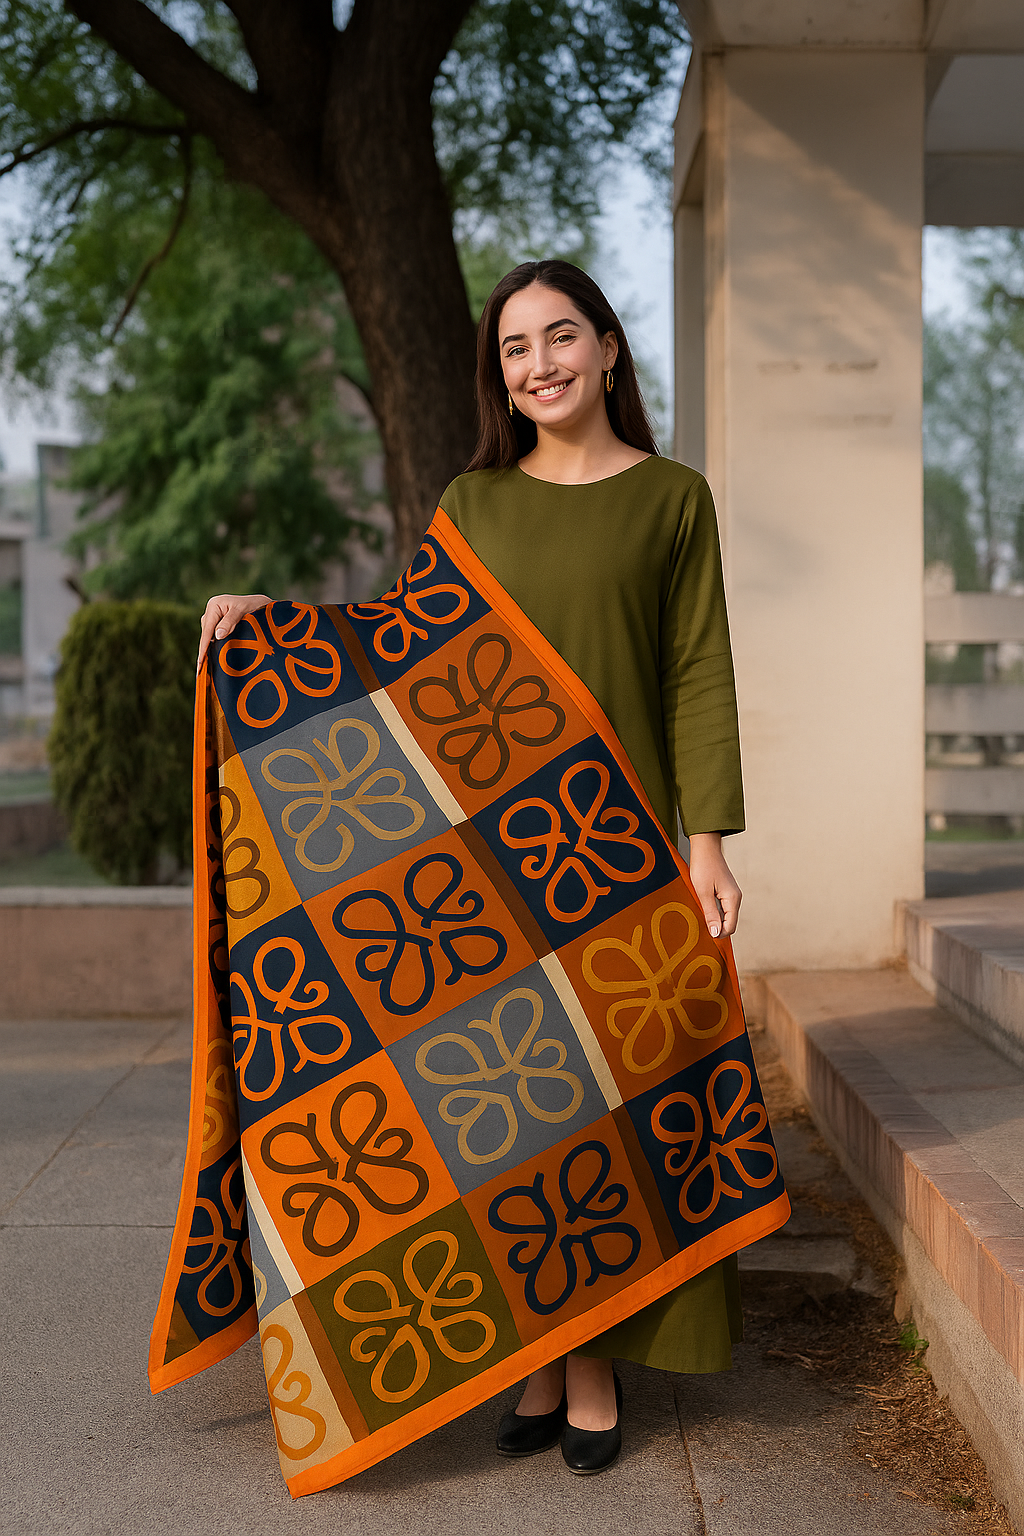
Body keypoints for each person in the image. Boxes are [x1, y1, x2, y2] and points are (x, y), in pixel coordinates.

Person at [198, 259, 745, 1477]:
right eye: (514, 347)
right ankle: (538, 1361)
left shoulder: (672, 497)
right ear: (499, 373)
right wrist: (272, 618)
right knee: (520, 1124)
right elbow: (393, 648)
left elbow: (697, 667)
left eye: (561, 336)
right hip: (494, 858)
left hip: (611, 851)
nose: (540, 363)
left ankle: (589, 1368)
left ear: (607, 347)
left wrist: (703, 843)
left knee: (603, 1114)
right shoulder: (473, 503)